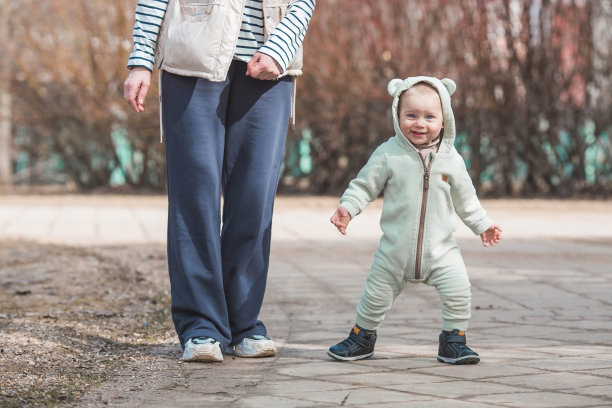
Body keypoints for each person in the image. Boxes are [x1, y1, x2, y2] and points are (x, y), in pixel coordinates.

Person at [123, 0, 316, 363]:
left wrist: (279, 47)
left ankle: (243, 323)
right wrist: (141, 60)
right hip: (191, 61)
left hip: (270, 69)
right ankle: (201, 326)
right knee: (194, 196)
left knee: (255, 199)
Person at [327, 76, 503, 364]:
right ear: (398, 116)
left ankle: (453, 341)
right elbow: (364, 185)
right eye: (411, 115)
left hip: (442, 251)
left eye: (429, 117)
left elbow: (467, 199)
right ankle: (361, 337)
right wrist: (348, 207)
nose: (420, 124)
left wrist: (482, 225)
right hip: (394, 250)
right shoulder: (388, 154)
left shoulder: (452, 160)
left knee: (460, 292)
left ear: (444, 120)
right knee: (374, 296)